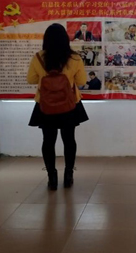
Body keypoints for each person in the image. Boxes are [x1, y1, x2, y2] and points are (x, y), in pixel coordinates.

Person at [27, 23, 88, 190]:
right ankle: (68, 175)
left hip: (45, 105)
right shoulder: (75, 58)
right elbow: (82, 81)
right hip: (70, 104)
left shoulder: (38, 57)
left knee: (48, 140)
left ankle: (52, 177)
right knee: (69, 140)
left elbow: (31, 79)